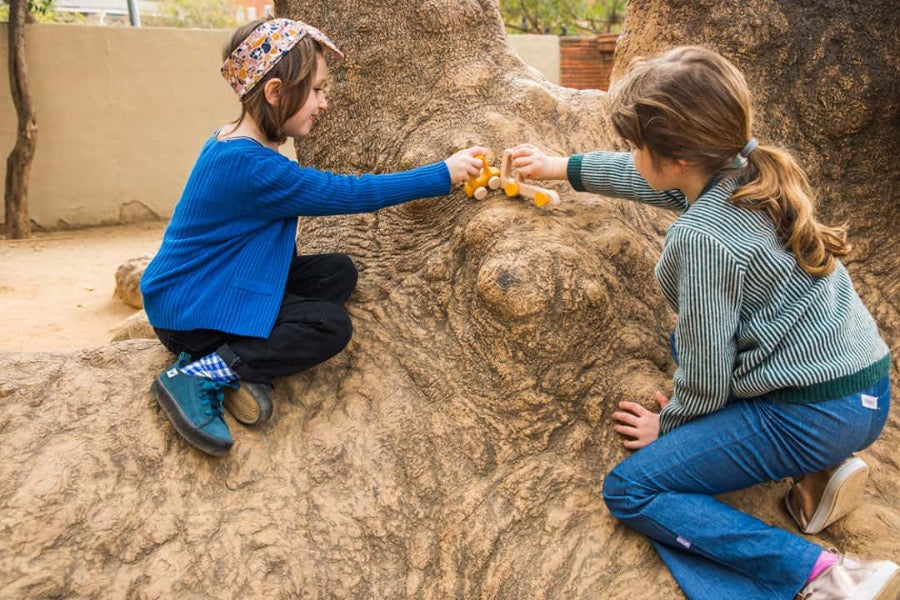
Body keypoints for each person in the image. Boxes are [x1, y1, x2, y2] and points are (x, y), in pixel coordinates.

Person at [507, 46, 897, 600]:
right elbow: (650, 180)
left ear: (679, 159)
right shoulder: (750, 174)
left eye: (636, 145)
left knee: (633, 490)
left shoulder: (703, 239)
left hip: (810, 415)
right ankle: (821, 476)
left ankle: (824, 575)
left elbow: (706, 376)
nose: (631, 153)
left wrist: (669, 429)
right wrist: (561, 168)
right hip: (865, 394)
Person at [140, 17, 486, 457]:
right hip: (191, 311)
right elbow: (350, 193)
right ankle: (204, 372)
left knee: (335, 273)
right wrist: (443, 174)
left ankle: (239, 364)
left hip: (203, 286)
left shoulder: (231, 142)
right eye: (317, 90)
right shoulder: (256, 167)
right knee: (327, 325)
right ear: (275, 92)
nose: (324, 103)